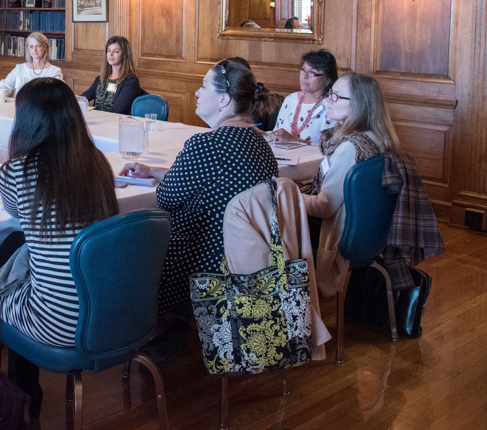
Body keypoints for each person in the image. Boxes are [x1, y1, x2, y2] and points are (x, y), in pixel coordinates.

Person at [0, 77, 118, 413]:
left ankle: (25, 396)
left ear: (25, 121)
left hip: (58, 323)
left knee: (5, 284)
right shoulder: (98, 165)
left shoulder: (15, 172)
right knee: (23, 259)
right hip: (111, 316)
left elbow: (16, 214)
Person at [121, 60, 278, 315]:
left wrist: (162, 179)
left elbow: (166, 199)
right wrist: (155, 171)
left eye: (204, 86)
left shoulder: (205, 145)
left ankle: (147, 330)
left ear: (224, 100)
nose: (197, 92)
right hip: (247, 261)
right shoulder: (260, 144)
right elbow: (217, 180)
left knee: (127, 245)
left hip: (201, 262)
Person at [302, 73, 398, 297]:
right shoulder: (379, 138)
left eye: (336, 97)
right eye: (330, 94)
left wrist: (286, 194)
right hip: (370, 235)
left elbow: (324, 207)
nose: (327, 100)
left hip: (339, 240)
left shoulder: (350, 148)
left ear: (360, 105)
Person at [272, 49, 338, 146]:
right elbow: (276, 134)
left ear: (328, 79)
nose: (305, 76)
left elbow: (331, 148)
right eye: (303, 70)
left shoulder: (331, 105)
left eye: (312, 72)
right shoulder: (290, 99)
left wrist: (295, 141)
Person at [0, 31, 62, 99]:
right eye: (31, 46)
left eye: (38, 46)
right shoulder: (20, 69)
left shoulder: (54, 72)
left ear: (45, 47)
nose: (34, 50)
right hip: (19, 110)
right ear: (28, 48)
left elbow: (59, 96)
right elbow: (5, 85)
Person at [79, 35, 141, 114]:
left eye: (116, 51)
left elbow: (118, 110)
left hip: (113, 122)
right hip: (95, 120)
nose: (111, 54)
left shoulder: (131, 81)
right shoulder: (100, 79)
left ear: (125, 55)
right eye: (108, 51)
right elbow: (83, 98)